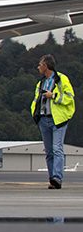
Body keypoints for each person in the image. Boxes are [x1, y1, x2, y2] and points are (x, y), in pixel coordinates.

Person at [31, 54, 75, 189]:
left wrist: (53, 95)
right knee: (49, 151)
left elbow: (69, 98)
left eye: (40, 64)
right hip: (44, 119)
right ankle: (52, 179)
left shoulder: (62, 79)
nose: (38, 67)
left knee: (57, 149)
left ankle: (57, 177)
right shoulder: (41, 83)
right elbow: (36, 100)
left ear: (46, 65)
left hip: (58, 120)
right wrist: (35, 115)